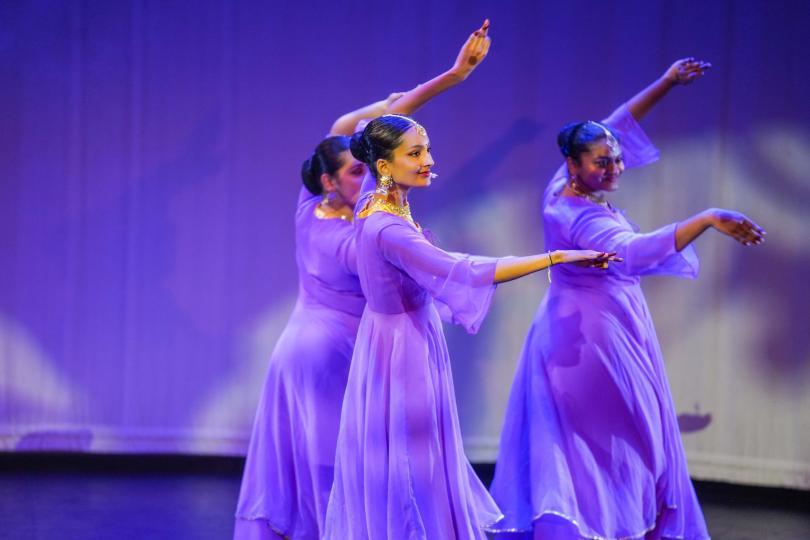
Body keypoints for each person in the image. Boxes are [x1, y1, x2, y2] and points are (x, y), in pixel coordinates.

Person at [234, 20, 497, 540]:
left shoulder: (314, 203)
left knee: (333, 465)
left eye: (367, 167)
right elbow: (421, 265)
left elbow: (379, 123)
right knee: (339, 470)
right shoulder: (363, 233)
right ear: (329, 181)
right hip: (327, 354)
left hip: (306, 348)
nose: (367, 174)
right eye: (356, 172)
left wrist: (450, 77)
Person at [489, 59, 766, 540]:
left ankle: (611, 523)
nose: (616, 167)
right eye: (603, 161)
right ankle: (605, 526)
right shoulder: (575, 214)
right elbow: (633, 252)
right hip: (593, 337)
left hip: (592, 321)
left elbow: (616, 123)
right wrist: (704, 219)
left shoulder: (567, 180)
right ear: (573, 164)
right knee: (616, 439)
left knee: (615, 436)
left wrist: (666, 83)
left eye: (616, 157)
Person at [322, 113, 614, 540]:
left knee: (411, 454)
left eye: (426, 149)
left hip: (395, 335)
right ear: (383, 166)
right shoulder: (388, 227)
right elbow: (466, 270)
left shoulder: (375, 198)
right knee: (412, 459)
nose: (429, 160)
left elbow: (368, 136)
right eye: (416, 153)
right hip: (401, 348)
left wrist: (452, 79)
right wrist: (557, 257)